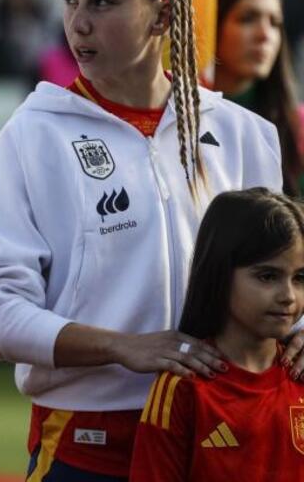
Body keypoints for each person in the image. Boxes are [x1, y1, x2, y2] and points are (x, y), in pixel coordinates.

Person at [0, 0, 283, 481]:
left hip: (227, 435)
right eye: (71, 1)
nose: (79, 23)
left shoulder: (241, 133)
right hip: (90, 447)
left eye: (103, 2)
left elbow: (284, 272)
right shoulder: (33, 135)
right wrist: (119, 345)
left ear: (162, 14)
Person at [129, 188, 304, 480]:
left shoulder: (297, 373)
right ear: (220, 274)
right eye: (267, 276)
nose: (288, 295)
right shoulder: (182, 386)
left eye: (300, 278)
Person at [213, 0, 304, 195]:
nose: (265, 35)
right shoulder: (177, 119)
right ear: (213, 22)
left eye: (275, 23)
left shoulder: (298, 129)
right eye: (247, 18)